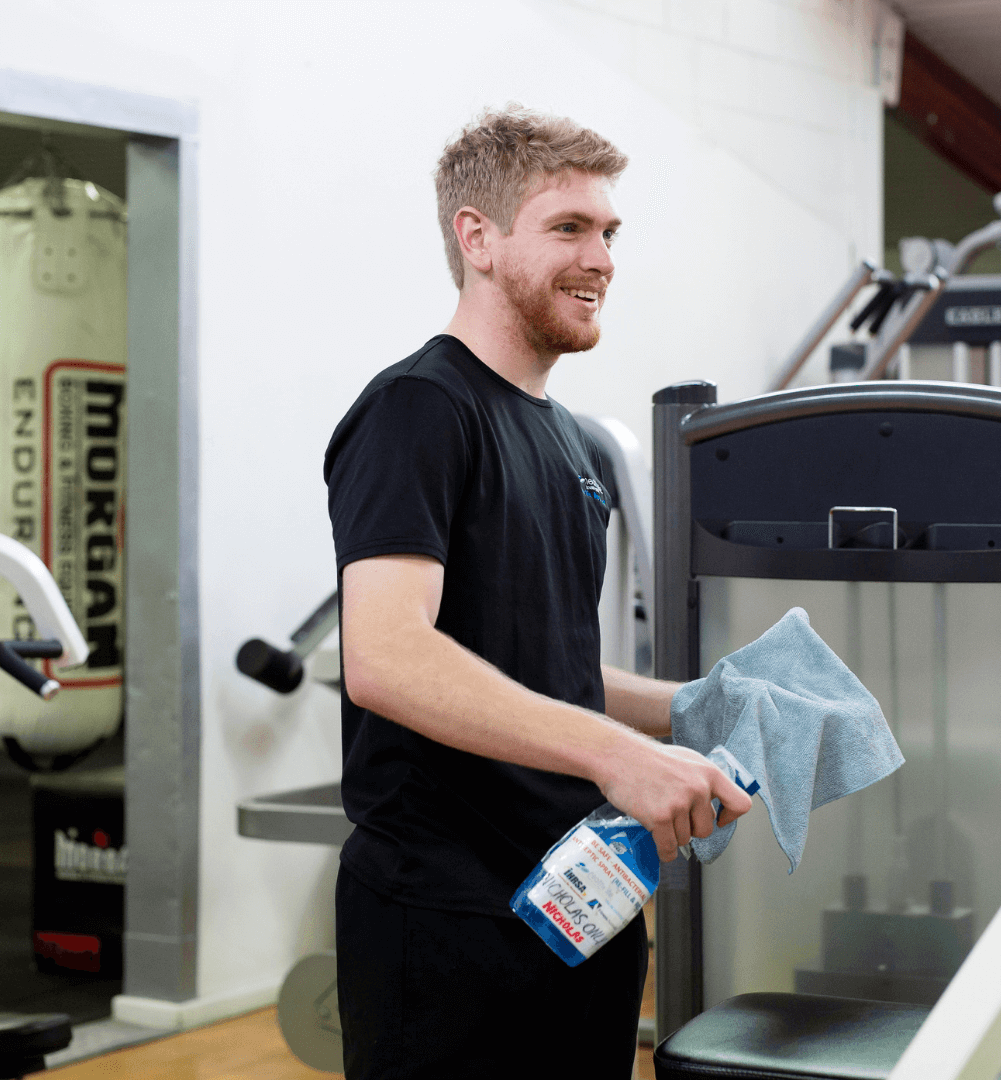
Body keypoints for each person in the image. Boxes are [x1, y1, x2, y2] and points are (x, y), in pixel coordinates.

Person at [323, 106, 753, 1078]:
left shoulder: (571, 443)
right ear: (476, 238)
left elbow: (538, 663)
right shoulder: (417, 410)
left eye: (608, 234)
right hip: (444, 917)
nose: (599, 257)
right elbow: (385, 659)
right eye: (567, 228)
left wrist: (689, 707)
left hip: (578, 897)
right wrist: (616, 756)